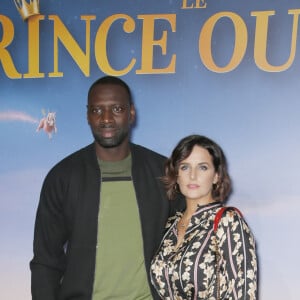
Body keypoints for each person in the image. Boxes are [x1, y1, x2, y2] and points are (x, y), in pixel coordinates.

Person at [30, 76, 183, 300]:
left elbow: (193, 244)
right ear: (87, 116)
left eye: (117, 109)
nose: (107, 119)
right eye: (97, 110)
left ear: (131, 113)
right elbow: (46, 261)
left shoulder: (163, 173)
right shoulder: (62, 178)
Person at [150, 134, 258, 299]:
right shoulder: (169, 226)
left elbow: (243, 293)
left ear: (216, 176)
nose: (192, 175)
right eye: (185, 167)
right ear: (176, 174)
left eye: (202, 167)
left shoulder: (228, 221)